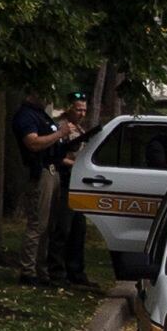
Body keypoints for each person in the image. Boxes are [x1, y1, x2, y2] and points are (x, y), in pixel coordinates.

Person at [11, 90, 81, 286]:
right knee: (37, 224)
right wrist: (59, 133)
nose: (49, 97)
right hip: (41, 171)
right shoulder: (26, 116)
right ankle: (28, 270)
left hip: (53, 169)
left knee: (48, 225)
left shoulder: (41, 115)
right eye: (45, 92)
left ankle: (42, 270)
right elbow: (33, 143)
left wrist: (67, 143)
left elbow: (51, 144)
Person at [46, 96, 95, 288]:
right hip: (66, 181)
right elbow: (57, 156)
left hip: (79, 184)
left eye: (84, 110)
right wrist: (76, 165)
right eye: (78, 109)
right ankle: (57, 271)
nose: (81, 113)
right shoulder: (61, 128)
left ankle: (76, 272)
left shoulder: (80, 129)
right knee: (63, 228)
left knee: (78, 230)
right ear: (69, 109)